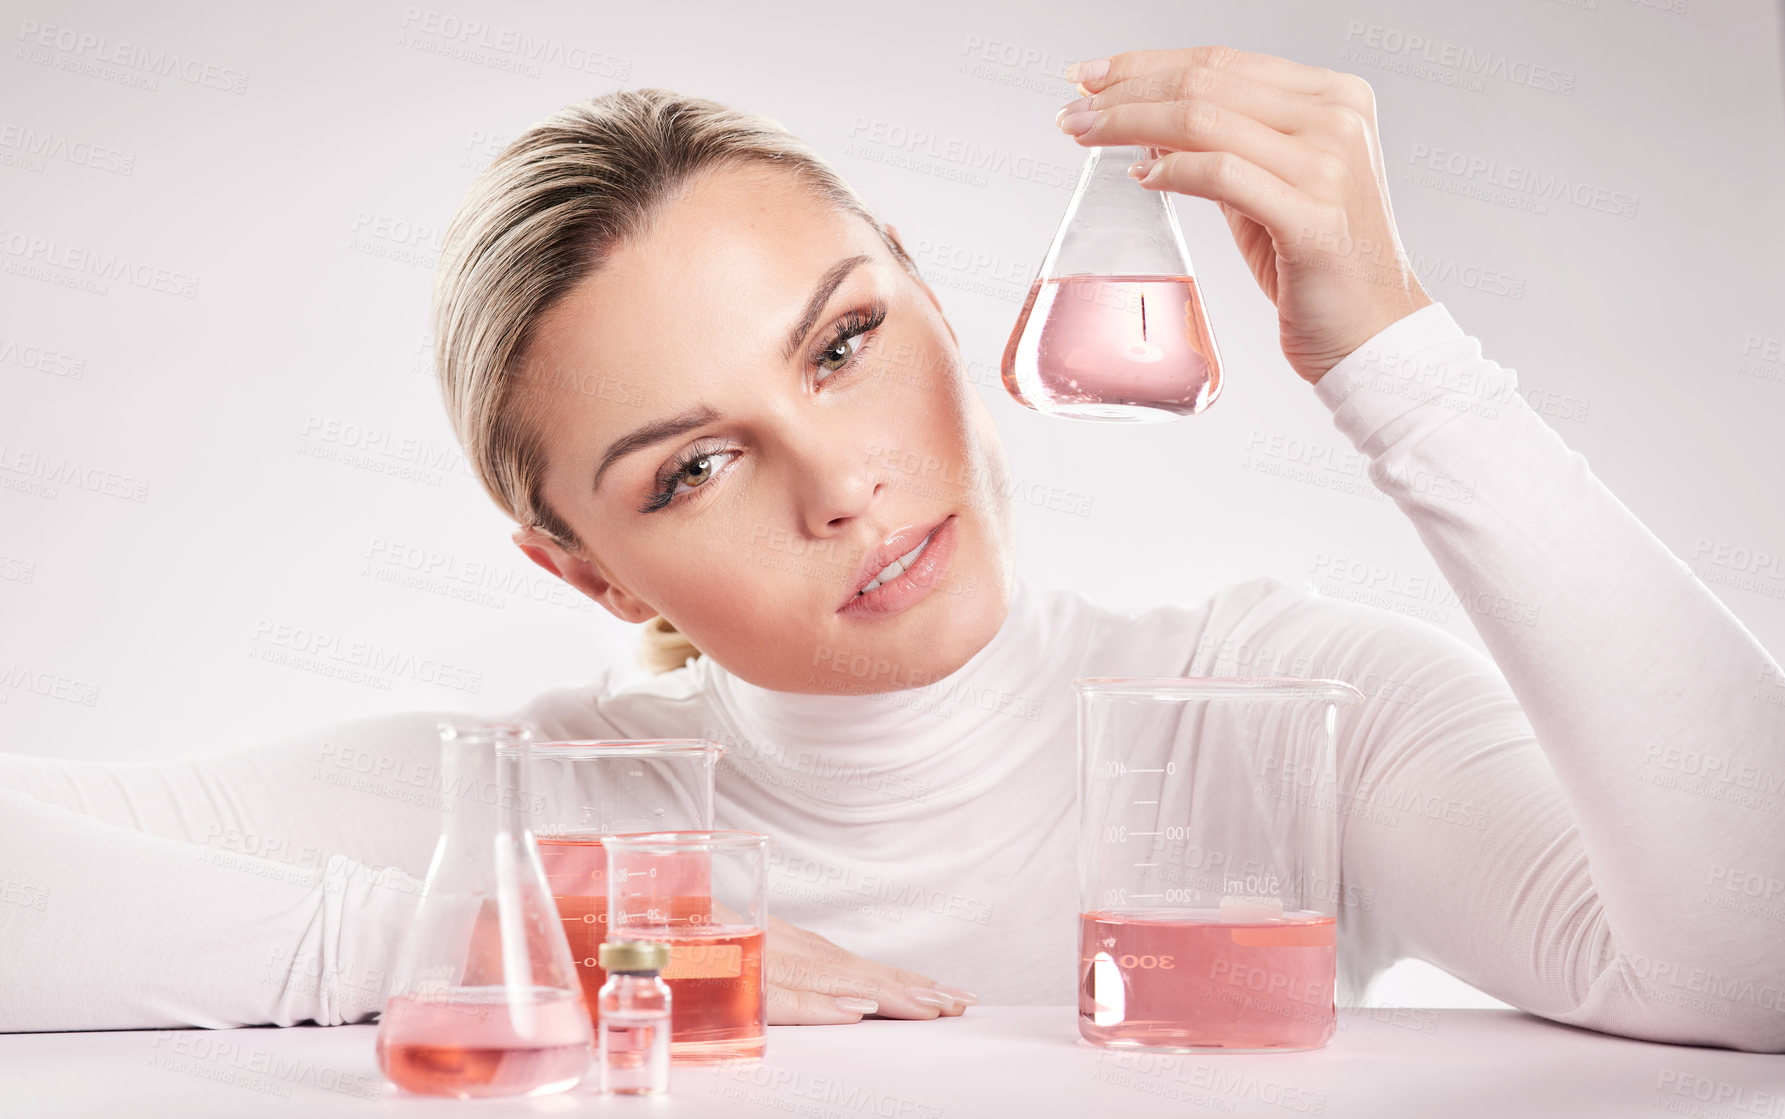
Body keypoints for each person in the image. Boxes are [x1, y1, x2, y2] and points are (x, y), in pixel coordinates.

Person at [2, 46, 1780, 1052]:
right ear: (594, 575)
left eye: (844, 343)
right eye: (693, 466)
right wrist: (520, 943)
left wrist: (1404, 368)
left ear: (937, 296)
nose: (842, 486)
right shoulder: (544, 821)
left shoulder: (1274, 708)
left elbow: (1756, 965)